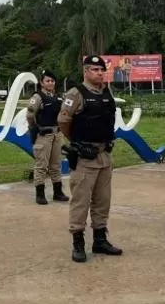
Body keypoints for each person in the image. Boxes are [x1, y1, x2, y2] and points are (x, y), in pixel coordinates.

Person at [57, 55, 123, 263]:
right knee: (81, 202)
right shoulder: (76, 93)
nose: (99, 73)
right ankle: (78, 243)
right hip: (85, 157)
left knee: (102, 201)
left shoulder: (106, 92)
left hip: (104, 154)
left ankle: (100, 240)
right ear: (86, 71)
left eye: (101, 70)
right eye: (95, 70)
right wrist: (77, 142)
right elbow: (63, 121)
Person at [26, 69, 69, 205]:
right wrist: (34, 127)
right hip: (44, 134)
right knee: (41, 165)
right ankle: (40, 193)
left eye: (52, 81)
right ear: (42, 83)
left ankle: (58, 192)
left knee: (56, 164)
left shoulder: (58, 97)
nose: (50, 83)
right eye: (47, 81)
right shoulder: (38, 97)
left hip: (57, 134)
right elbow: (30, 114)